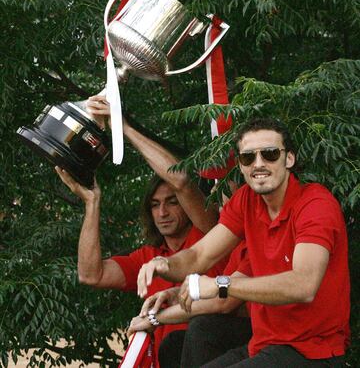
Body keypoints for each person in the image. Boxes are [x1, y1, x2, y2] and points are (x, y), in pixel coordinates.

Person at [137, 117, 350, 367]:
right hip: (264, 343)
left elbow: (303, 285)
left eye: (270, 154)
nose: (258, 164)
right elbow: (199, 256)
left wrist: (220, 284)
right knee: (198, 333)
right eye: (248, 157)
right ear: (240, 165)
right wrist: (164, 263)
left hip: (314, 352)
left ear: (289, 158)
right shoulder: (246, 200)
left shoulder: (315, 205)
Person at [55, 95, 228, 367]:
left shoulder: (211, 235)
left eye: (171, 203)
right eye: (155, 205)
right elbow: (90, 274)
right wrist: (92, 203)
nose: (162, 212)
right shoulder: (145, 257)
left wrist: (123, 128)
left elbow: (181, 180)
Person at [128, 241, 253, 367]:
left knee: (203, 328)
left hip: (264, 340)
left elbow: (224, 301)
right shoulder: (242, 240)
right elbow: (198, 255)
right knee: (174, 344)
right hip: (251, 332)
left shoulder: (256, 240)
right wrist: (177, 295)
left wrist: (154, 318)